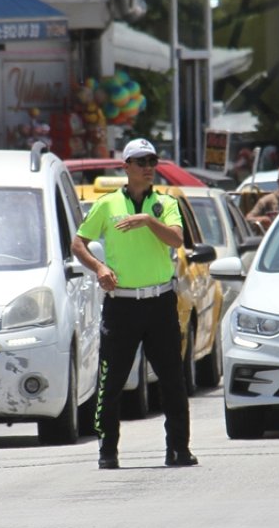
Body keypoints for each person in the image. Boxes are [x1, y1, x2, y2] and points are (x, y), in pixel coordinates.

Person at [71, 138, 198, 470]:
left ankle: (178, 450)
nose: (147, 168)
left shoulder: (165, 203)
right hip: (122, 305)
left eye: (152, 161)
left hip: (159, 302)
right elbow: (78, 243)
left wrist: (146, 220)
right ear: (125, 167)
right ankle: (107, 451)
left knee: (173, 380)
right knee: (111, 382)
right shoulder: (108, 204)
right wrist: (99, 268)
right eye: (140, 162)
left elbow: (175, 238)